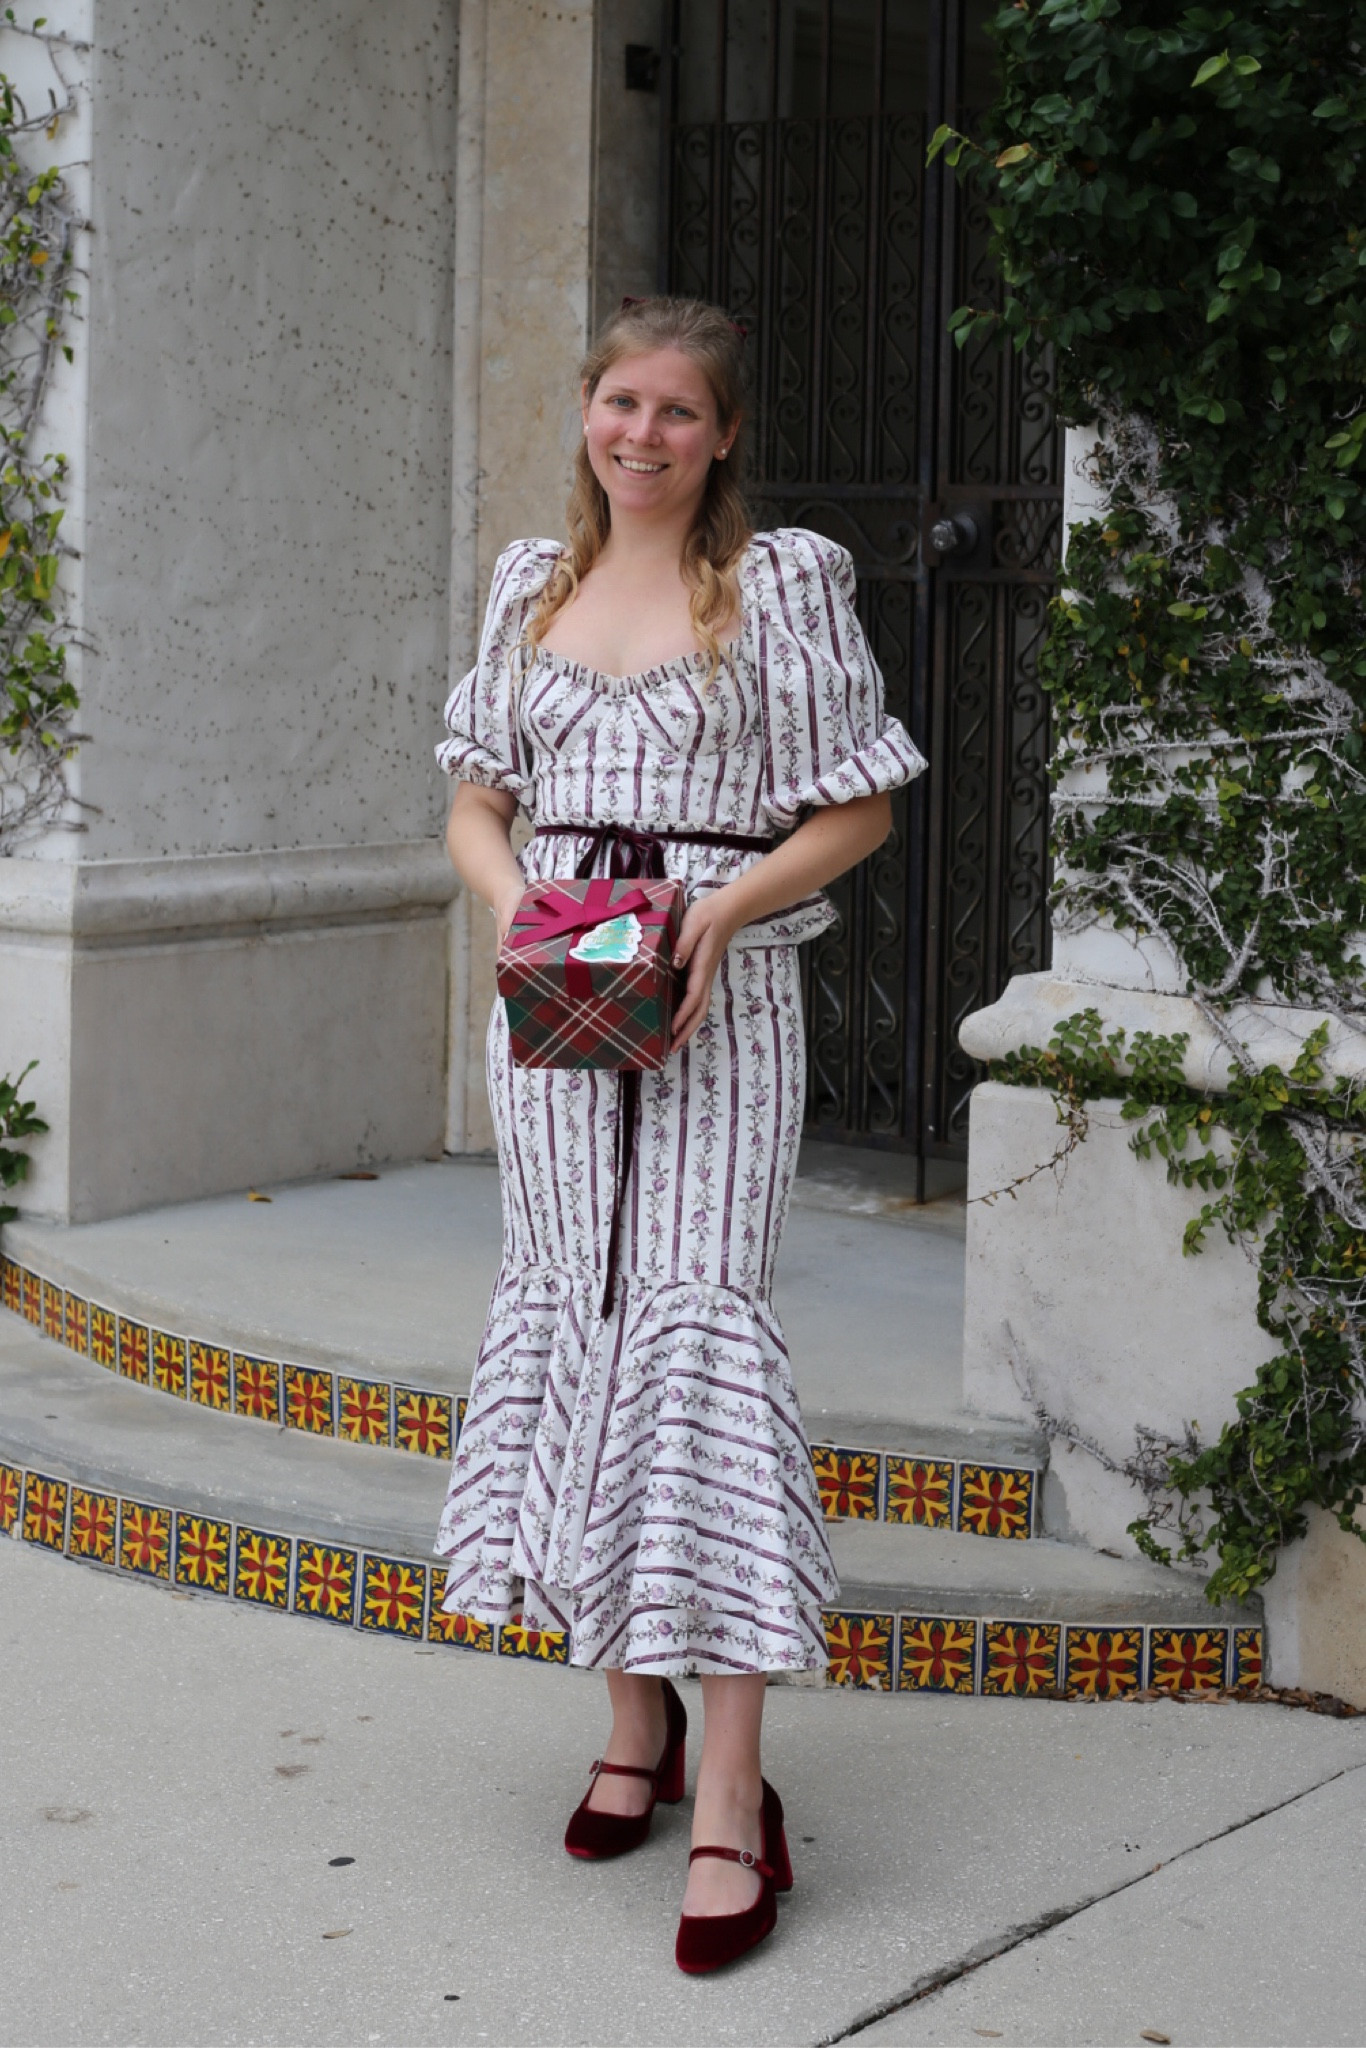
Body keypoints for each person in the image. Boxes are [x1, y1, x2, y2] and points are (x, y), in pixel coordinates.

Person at [436, 294, 924, 1973]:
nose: (640, 435)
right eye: (617, 404)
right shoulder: (528, 581)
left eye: (676, 414)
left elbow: (856, 804)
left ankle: (733, 1791)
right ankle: (627, 1725)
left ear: (721, 436)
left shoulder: (780, 580)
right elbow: (473, 794)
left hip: (720, 995)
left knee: (696, 1338)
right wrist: (520, 915)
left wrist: (714, 916)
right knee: (582, 1322)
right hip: (556, 1006)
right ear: (587, 412)